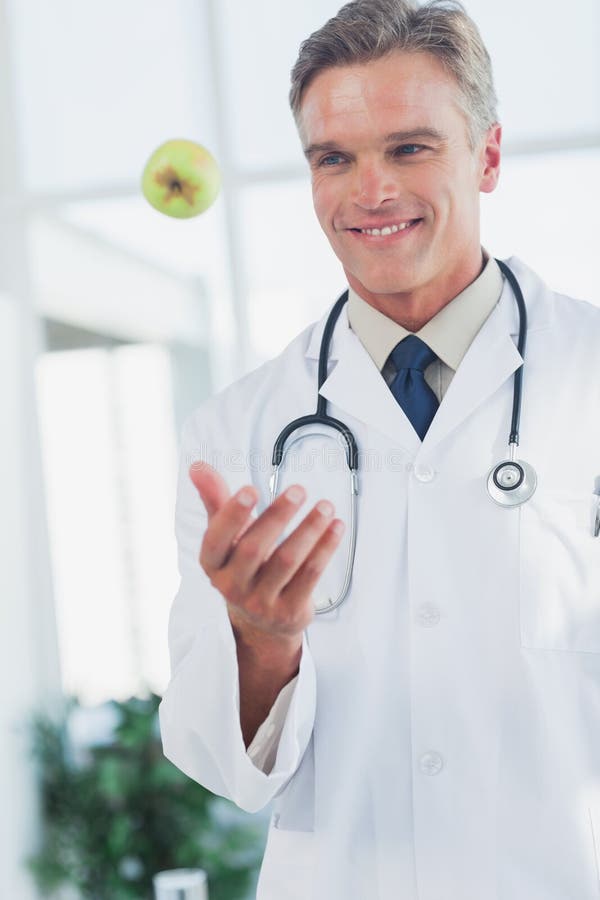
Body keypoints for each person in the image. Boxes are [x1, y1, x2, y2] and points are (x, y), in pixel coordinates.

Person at [158, 1, 600, 897]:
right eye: (334, 158)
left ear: (487, 156)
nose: (370, 191)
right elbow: (219, 764)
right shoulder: (236, 432)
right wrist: (261, 642)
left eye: (409, 148)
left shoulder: (585, 375)